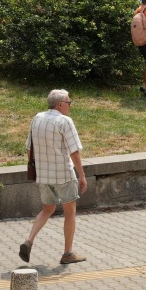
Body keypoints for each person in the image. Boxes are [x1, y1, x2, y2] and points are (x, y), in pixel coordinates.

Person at [20, 90, 88, 265]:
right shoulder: (65, 121)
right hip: (64, 174)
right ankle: (67, 253)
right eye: (68, 102)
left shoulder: (37, 118)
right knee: (70, 211)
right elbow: (74, 151)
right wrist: (81, 175)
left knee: (47, 209)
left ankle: (29, 240)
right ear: (60, 104)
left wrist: (33, 166)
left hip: (43, 174)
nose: (70, 105)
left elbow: (29, 147)